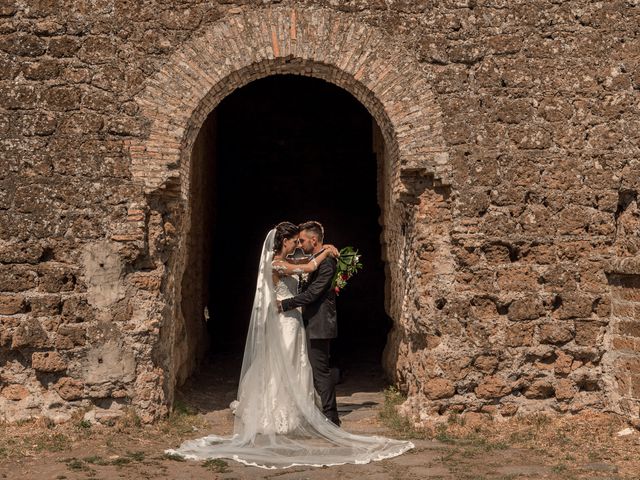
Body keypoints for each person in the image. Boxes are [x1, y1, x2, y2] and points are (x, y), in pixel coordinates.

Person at [165, 223, 414, 469]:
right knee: (282, 361)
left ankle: (302, 409)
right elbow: (308, 267)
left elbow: (306, 265)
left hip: (294, 319)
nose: (298, 244)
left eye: (300, 240)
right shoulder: (277, 262)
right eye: (295, 240)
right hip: (286, 318)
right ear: (284, 242)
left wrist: (322, 250)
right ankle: (280, 411)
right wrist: (326, 251)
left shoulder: (290, 260)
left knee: (296, 362)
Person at [277, 221, 340, 426]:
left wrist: (285, 304)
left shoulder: (327, 263)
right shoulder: (316, 258)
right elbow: (305, 264)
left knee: (321, 371)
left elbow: (313, 293)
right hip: (306, 321)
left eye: (302, 240)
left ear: (314, 240)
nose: (299, 245)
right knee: (307, 368)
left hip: (320, 323)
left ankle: (332, 417)